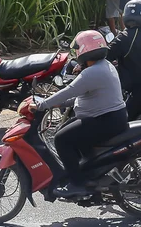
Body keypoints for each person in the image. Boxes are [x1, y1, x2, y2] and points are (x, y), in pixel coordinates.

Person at [34, 31, 127, 197]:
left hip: (106, 120)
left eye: (77, 50)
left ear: (84, 51)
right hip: (112, 117)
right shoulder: (105, 65)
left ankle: (78, 183)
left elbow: (69, 91)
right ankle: (90, 173)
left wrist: (42, 104)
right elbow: (81, 95)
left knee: (61, 139)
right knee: (67, 128)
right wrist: (58, 103)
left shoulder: (91, 72)